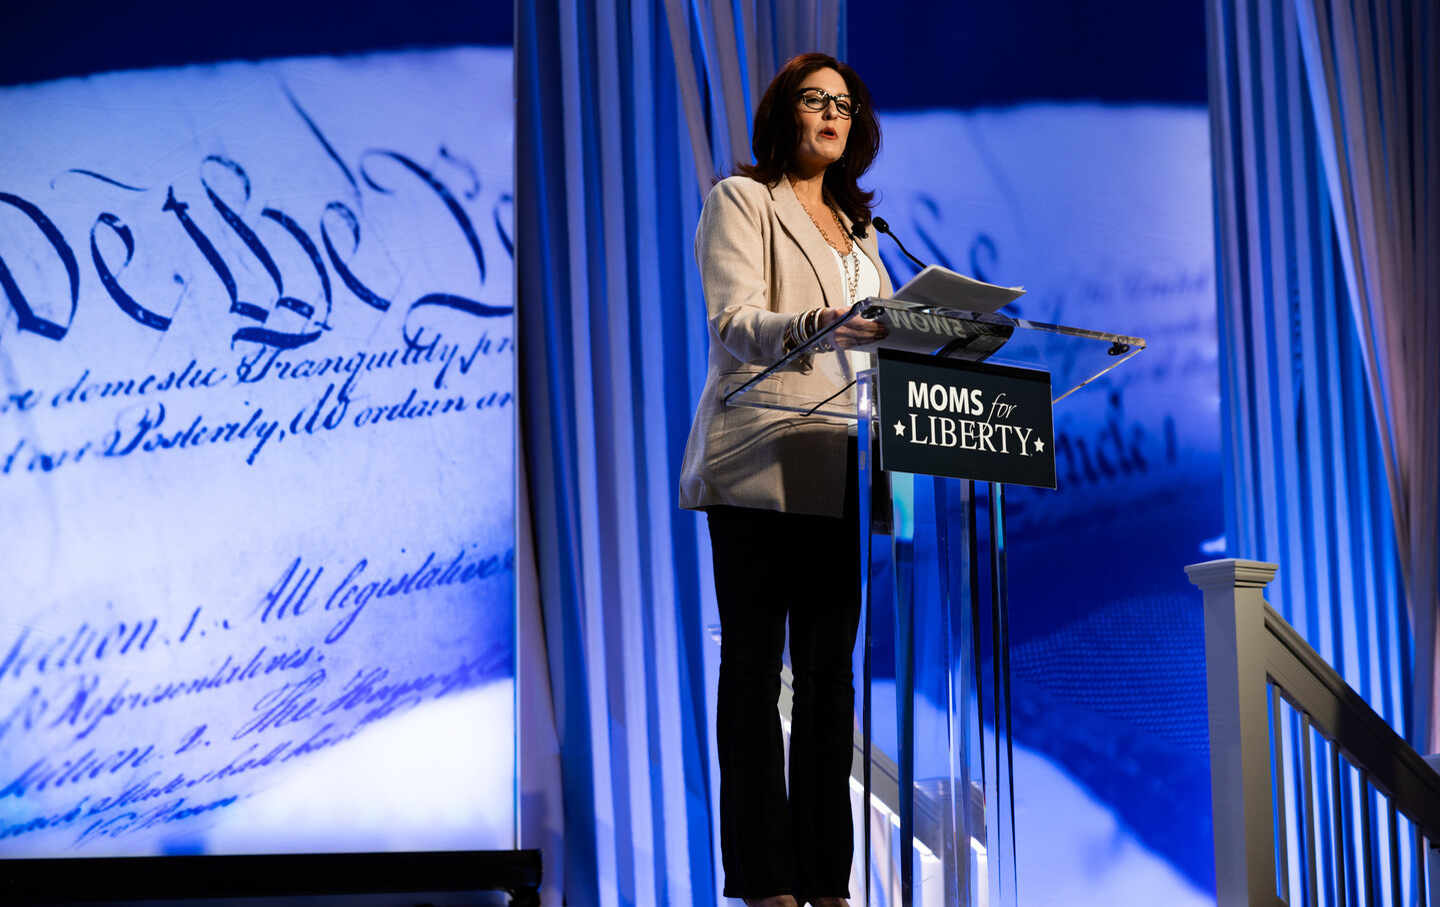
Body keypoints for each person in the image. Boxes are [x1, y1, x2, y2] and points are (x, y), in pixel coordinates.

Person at [678, 52, 892, 907]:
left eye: (844, 103)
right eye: (815, 100)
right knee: (757, 670)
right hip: (760, 462)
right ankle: (767, 882)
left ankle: (826, 882)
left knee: (831, 676)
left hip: (843, 461)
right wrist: (825, 323)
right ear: (785, 115)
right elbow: (734, 324)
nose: (831, 114)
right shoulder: (742, 202)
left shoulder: (864, 230)